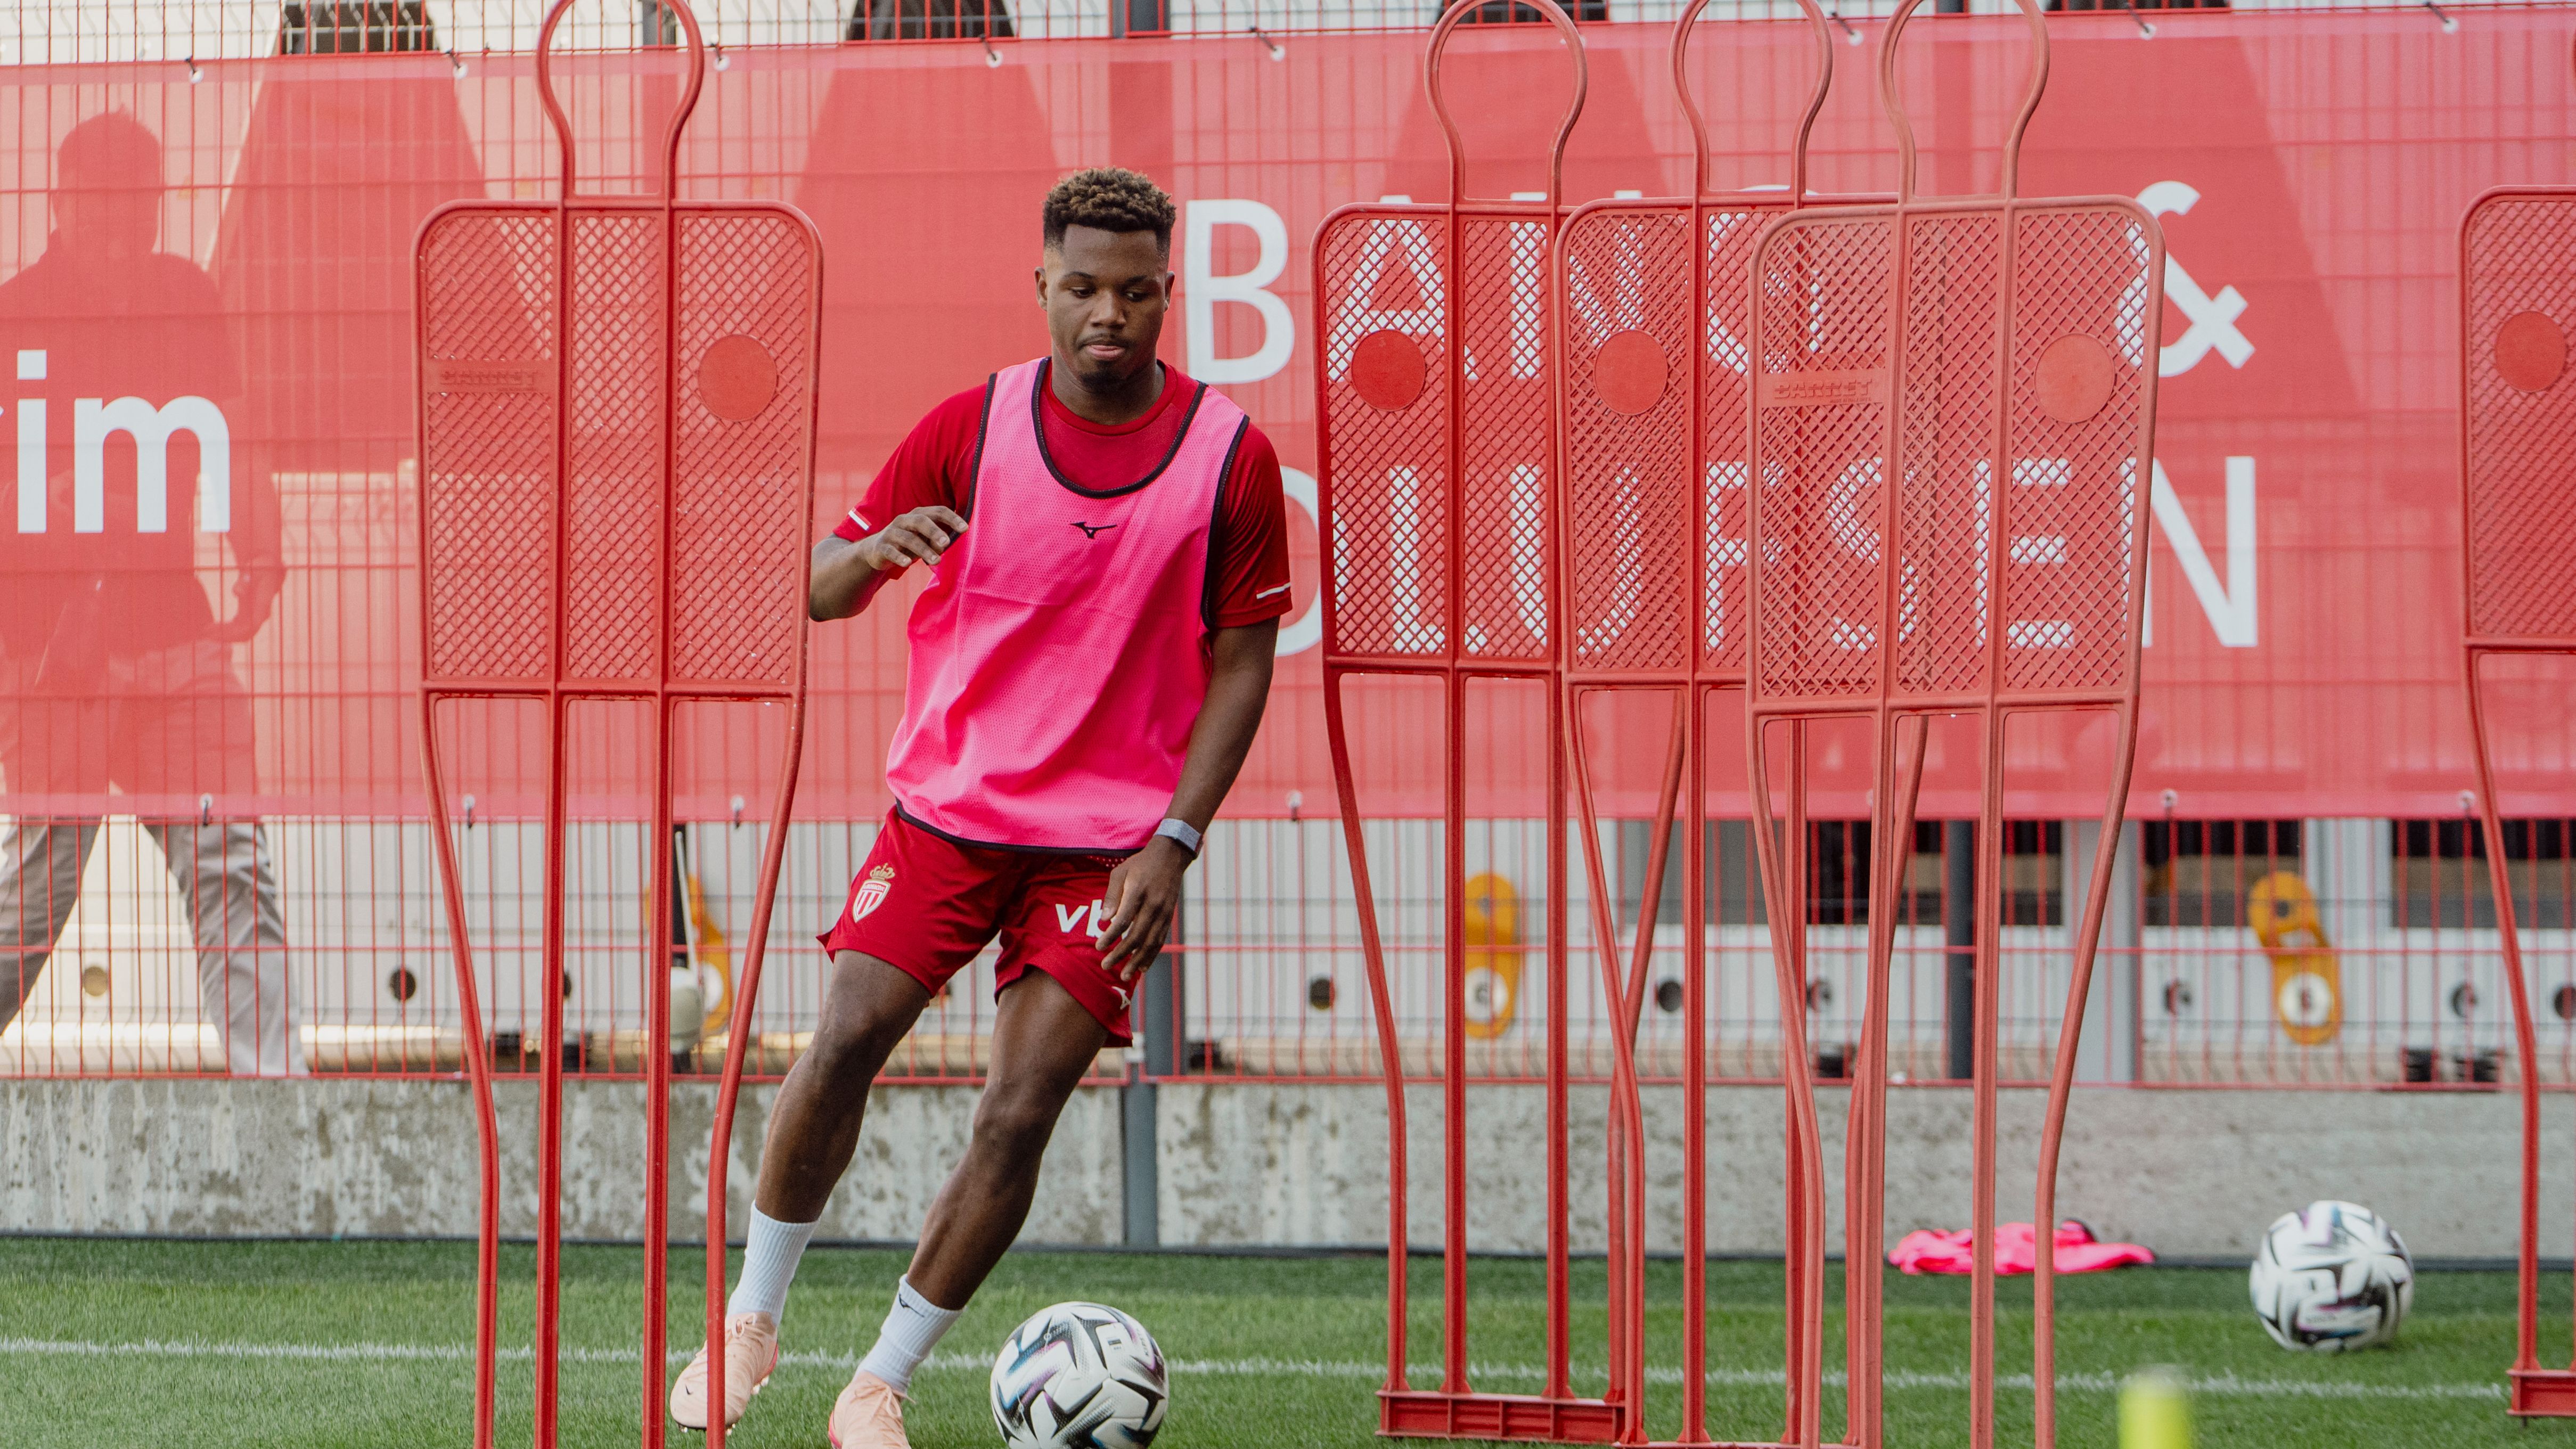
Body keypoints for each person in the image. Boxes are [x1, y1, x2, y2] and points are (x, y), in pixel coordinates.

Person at [667, 168, 1290, 1445]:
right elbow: (822, 588)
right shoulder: (972, 422)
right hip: (946, 819)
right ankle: (750, 1318)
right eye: (1080, 288)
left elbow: (1243, 659)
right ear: (1042, 287)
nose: (1105, 314)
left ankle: (879, 1380)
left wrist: (1173, 840)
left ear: (1169, 293)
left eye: (1133, 290)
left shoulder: (1232, 455)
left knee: (1019, 1107)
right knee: (841, 1040)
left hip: (1105, 849)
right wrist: (867, 553)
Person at [0, 112, 296, 1076]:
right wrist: (32, 498)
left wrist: (261, 550)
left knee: (230, 861)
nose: (128, 225)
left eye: (142, 205)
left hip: (174, 626)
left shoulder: (188, 298)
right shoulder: (16, 312)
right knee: (39, 889)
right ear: (60, 204)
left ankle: (272, 1086)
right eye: (108, 205)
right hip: (51, 651)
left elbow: (235, 431)